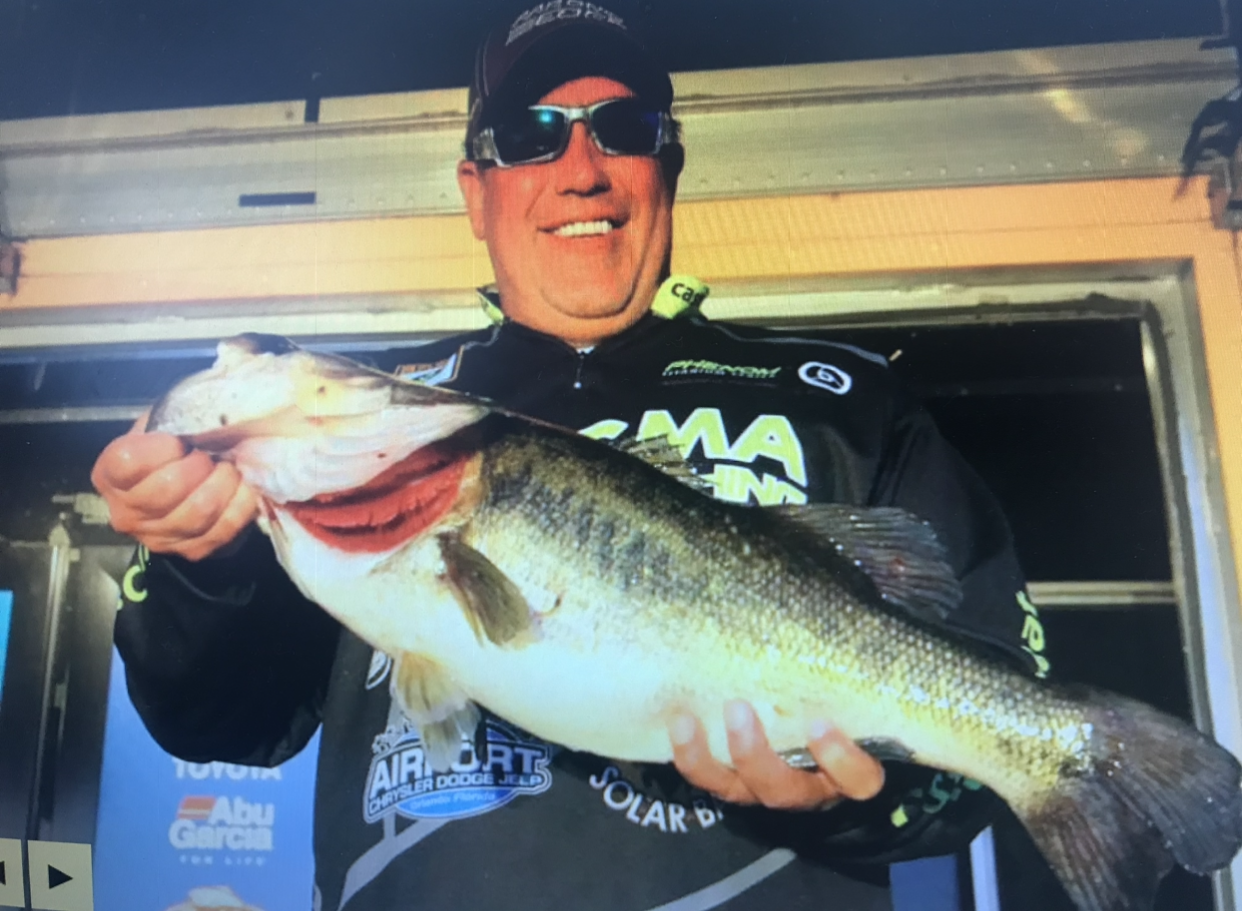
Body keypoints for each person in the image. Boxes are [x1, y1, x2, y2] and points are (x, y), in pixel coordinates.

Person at [93, 5, 1043, 909]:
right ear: (477, 188)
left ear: (667, 165)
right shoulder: (379, 425)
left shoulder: (853, 403)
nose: (580, 168)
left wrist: (860, 801)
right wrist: (200, 563)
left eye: (622, 126)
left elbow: (997, 747)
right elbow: (220, 722)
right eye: (530, 131)